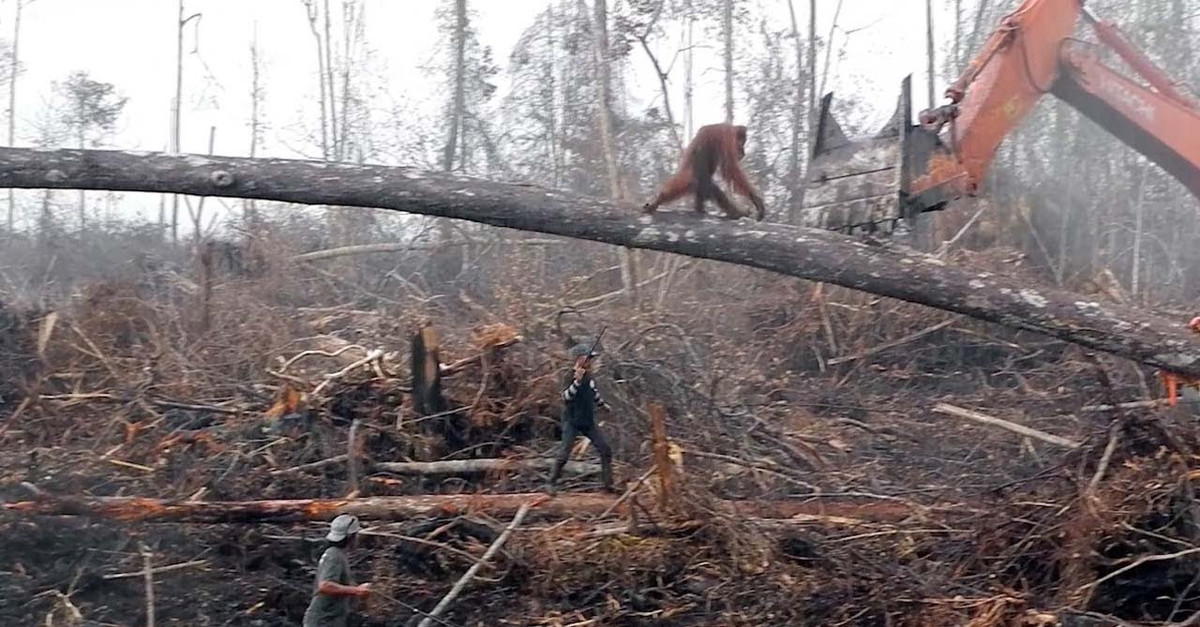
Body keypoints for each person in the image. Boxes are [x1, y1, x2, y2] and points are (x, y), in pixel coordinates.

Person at [547, 343, 616, 494]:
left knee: (605, 450)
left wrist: (603, 406)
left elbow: (594, 393)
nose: (591, 361)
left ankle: (608, 484)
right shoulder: (568, 376)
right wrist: (576, 382)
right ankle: (551, 482)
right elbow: (566, 397)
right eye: (588, 358)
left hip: (588, 422)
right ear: (579, 359)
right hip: (572, 422)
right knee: (564, 453)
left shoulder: (590, 377)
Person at [303, 514, 372, 627]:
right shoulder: (333, 555)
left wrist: (360, 590)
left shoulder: (339, 554)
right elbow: (325, 585)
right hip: (322, 621)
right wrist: (356, 590)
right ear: (351, 537)